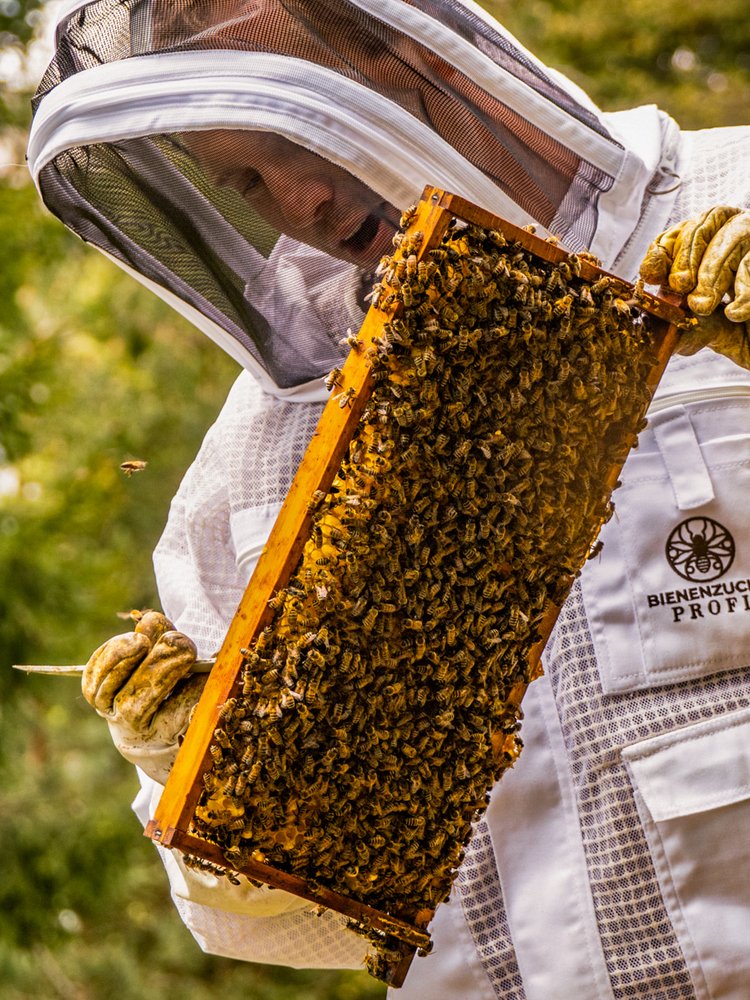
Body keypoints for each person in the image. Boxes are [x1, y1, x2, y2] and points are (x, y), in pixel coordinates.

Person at [27, 1, 750, 997]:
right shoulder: (261, 445)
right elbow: (294, 928)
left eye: (290, 134)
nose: (298, 201)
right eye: (244, 178)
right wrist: (208, 775)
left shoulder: (733, 201)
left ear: (421, 53)